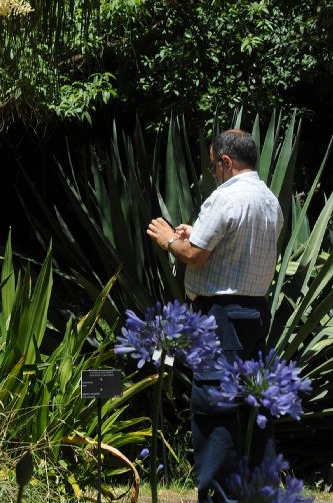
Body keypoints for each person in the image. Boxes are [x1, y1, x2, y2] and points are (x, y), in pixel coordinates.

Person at [146, 129, 283, 503]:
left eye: (213, 165)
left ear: (225, 161)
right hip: (255, 313)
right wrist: (196, 233)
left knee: (215, 406)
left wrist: (167, 239)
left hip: (220, 316)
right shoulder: (270, 201)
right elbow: (237, 247)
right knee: (252, 407)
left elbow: (194, 255)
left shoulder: (226, 197)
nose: (213, 173)